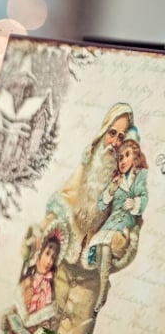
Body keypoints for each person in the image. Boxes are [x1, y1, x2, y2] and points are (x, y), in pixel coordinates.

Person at [43, 102, 133, 266]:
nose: (114, 143)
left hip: (94, 255)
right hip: (69, 241)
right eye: (112, 133)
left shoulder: (123, 179)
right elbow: (66, 194)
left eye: (121, 137)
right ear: (104, 132)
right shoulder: (89, 162)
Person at [85, 126, 149, 313]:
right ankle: (104, 283)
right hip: (112, 222)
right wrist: (111, 191)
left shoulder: (139, 176)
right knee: (98, 250)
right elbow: (102, 205)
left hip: (126, 222)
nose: (123, 160)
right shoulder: (118, 179)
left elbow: (144, 198)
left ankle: (103, 290)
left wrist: (135, 203)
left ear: (136, 156)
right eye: (120, 157)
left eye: (127, 155)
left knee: (105, 247)